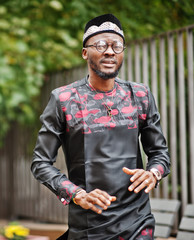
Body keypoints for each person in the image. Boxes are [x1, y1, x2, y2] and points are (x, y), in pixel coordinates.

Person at [31, 14, 170, 240]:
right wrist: (76, 194)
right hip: (89, 223)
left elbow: (160, 153)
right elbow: (40, 163)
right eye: (101, 45)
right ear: (85, 52)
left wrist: (153, 173)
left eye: (117, 45)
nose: (109, 51)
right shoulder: (64, 99)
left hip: (137, 221)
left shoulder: (140, 95)